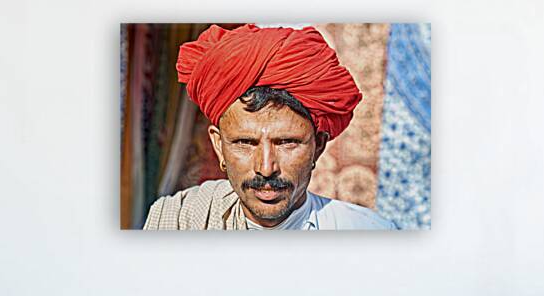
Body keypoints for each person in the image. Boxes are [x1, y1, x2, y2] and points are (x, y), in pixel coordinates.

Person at [143, 24, 395, 231]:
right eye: (244, 143)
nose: (265, 168)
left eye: (287, 143)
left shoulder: (367, 232)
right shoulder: (176, 221)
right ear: (219, 146)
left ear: (318, 146)